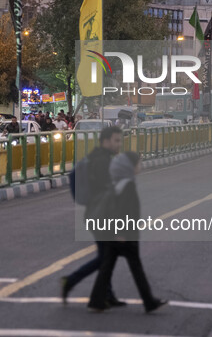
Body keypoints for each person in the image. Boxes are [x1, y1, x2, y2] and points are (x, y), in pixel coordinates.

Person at [87, 152, 167, 313]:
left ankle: (96, 301)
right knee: (136, 268)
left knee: (106, 268)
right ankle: (149, 302)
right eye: (138, 163)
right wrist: (122, 233)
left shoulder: (116, 182)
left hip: (112, 232)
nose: (140, 166)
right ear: (129, 166)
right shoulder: (127, 185)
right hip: (125, 234)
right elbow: (124, 211)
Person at [61, 126, 125, 307]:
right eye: (116, 140)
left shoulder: (98, 157)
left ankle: (108, 293)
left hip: (96, 214)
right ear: (106, 141)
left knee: (106, 255)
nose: (119, 144)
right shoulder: (102, 162)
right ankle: (71, 281)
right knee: (105, 258)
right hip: (101, 216)